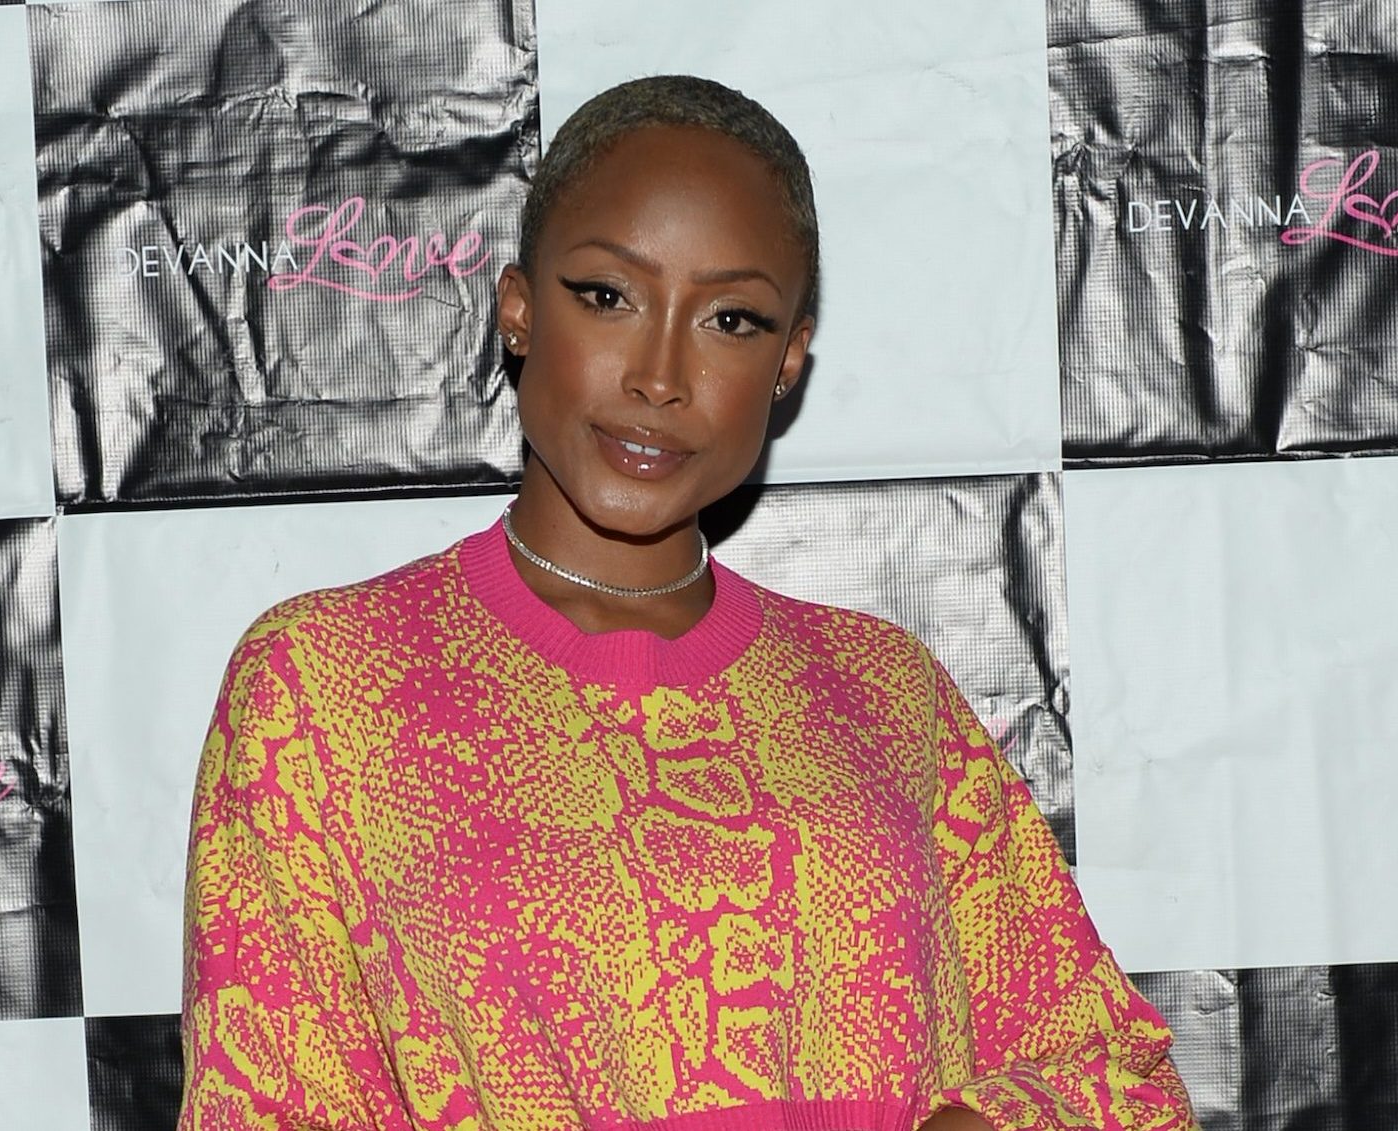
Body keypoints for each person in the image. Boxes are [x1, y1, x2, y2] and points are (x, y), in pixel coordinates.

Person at [177, 75, 1197, 1131]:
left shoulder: (884, 693)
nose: (659, 376)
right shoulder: (325, 686)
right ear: (518, 311)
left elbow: (1113, 1078)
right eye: (607, 297)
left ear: (788, 359)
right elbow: (271, 1104)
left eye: (730, 319)